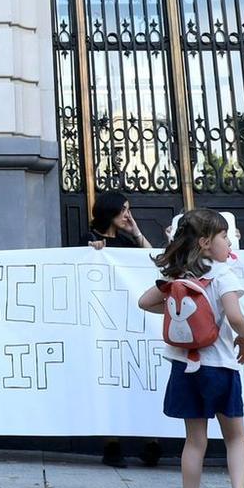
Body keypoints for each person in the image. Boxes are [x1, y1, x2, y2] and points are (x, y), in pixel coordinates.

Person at [136, 209, 244, 488]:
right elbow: (235, 316)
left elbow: (144, 302)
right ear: (206, 243)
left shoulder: (178, 276)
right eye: (223, 237)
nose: (228, 241)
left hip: (184, 368)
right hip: (220, 368)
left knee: (194, 441)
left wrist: (179, 309)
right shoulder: (222, 275)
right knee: (235, 436)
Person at [81, 191, 160, 470]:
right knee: (109, 379)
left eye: (129, 209)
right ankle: (111, 443)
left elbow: (155, 261)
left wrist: (137, 232)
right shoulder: (87, 238)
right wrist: (94, 252)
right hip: (104, 320)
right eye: (123, 210)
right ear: (109, 211)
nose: (128, 215)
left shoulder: (128, 240)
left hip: (132, 318)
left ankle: (150, 441)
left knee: (139, 377)